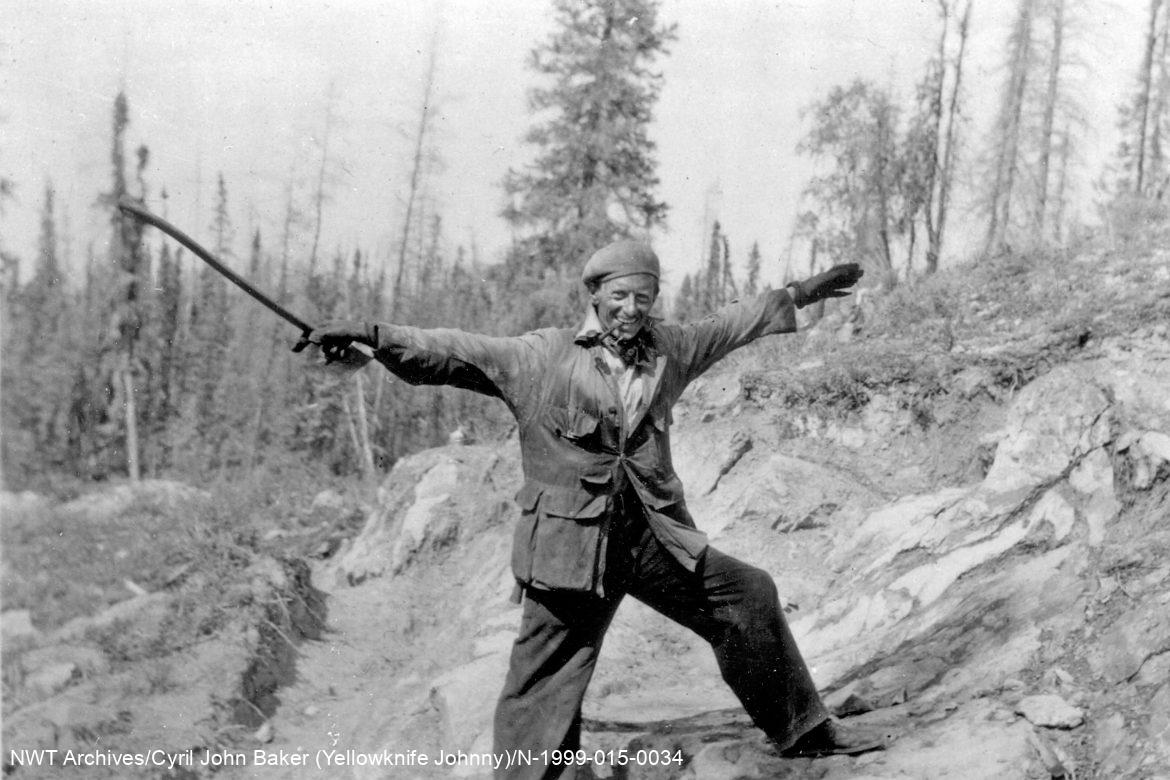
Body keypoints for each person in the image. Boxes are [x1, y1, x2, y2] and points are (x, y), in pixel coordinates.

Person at [306, 240, 887, 778]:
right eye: (619, 298)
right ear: (594, 297)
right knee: (544, 682)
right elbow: (456, 351)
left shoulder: (670, 349)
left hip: (651, 537)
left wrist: (801, 293)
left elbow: (732, 324)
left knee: (746, 595)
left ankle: (803, 730)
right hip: (569, 549)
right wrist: (373, 335)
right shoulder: (543, 356)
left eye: (643, 298)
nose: (631, 310)